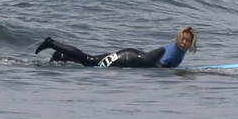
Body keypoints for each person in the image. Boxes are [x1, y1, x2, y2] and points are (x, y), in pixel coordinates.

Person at [34, 27, 196, 69]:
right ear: (178, 38)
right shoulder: (174, 50)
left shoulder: (179, 51)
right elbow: (160, 60)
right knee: (89, 61)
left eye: (187, 41)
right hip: (127, 58)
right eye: (182, 39)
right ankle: (51, 43)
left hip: (130, 57)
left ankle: (62, 56)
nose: (184, 42)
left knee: (91, 60)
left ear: (191, 43)